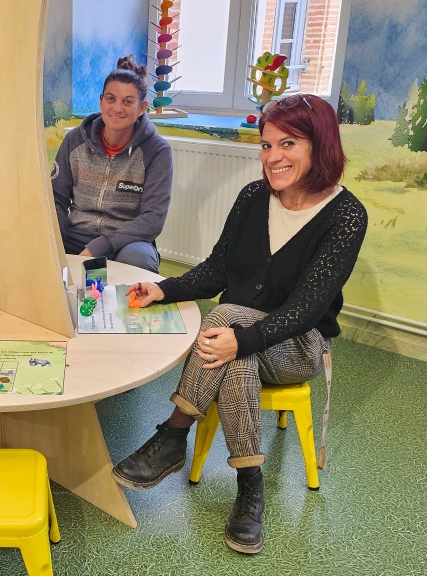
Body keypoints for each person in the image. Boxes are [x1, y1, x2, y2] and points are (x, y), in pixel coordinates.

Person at [111, 94, 367, 554]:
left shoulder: (347, 215)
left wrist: (240, 338)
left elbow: (306, 311)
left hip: (299, 345)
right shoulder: (253, 197)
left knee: (226, 320)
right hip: (242, 344)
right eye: (266, 145)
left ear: (320, 145)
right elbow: (216, 270)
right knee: (235, 354)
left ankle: (172, 435)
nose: (273, 157)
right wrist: (164, 289)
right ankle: (251, 487)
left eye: (288, 143)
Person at [51, 54, 173, 273]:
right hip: (76, 235)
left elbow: (153, 219)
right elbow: (56, 199)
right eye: (110, 99)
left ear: (142, 107)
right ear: (101, 100)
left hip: (127, 242)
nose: (117, 108)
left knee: (138, 258)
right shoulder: (74, 141)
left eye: (128, 102)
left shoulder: (157, 151)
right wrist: (53, 242)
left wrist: (101, 245)